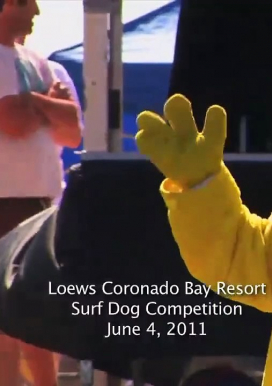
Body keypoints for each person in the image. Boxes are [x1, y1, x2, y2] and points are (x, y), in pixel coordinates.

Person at [0, 0, 82, 385]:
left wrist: (31, 101)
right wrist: (47, 106)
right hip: (4, 202)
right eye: (28, 2)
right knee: (7, 319)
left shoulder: (44, 64)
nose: (36, 11)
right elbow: (12, 122)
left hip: (42, 207)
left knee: (40, 313)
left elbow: (72, 129)